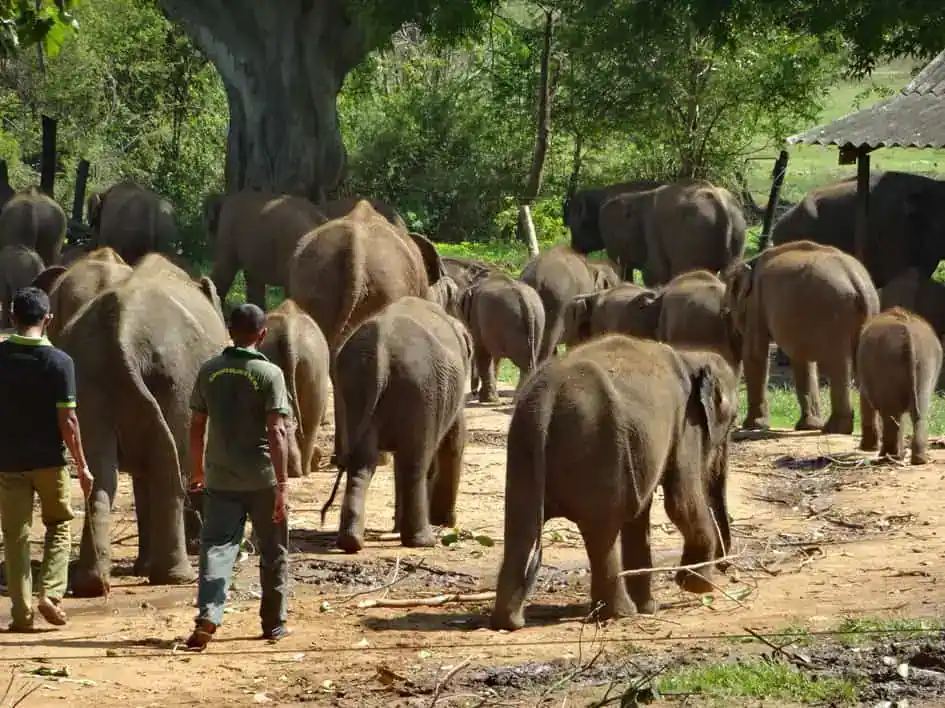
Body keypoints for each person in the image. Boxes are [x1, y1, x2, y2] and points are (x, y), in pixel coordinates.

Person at [185, 302, 292, 651]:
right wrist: (283, 485)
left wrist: (198, 470)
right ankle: (273, 623)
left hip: (220, 477)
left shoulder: (209, 371)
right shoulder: (269, 375)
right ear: (262, 335)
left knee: (216, 548)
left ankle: (209, 615)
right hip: (262, 478)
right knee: (273, 550)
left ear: (230, 331)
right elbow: (277, 432)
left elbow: (197, 425)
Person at [0, 287, 93, 632]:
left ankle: (21, 614)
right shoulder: (60, 362)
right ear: (49, 320)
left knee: (15, 536)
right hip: (51, 462)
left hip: (8, 463)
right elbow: (68, 420)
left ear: (13, 318)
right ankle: (51, 593)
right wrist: (81, 464)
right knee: (58, 525)